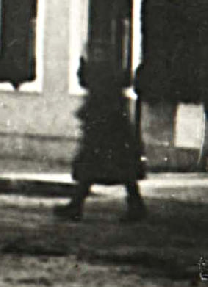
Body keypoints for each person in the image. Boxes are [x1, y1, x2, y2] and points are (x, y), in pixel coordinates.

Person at [54, 48, 146, 222]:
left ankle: (77, 206)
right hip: (112, 133)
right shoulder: (109, 81)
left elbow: (96, 101)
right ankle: (134, 205)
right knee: (119, 171)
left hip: (105, 134)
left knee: (94, 168)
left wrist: (89, 118)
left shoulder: (102, 85)